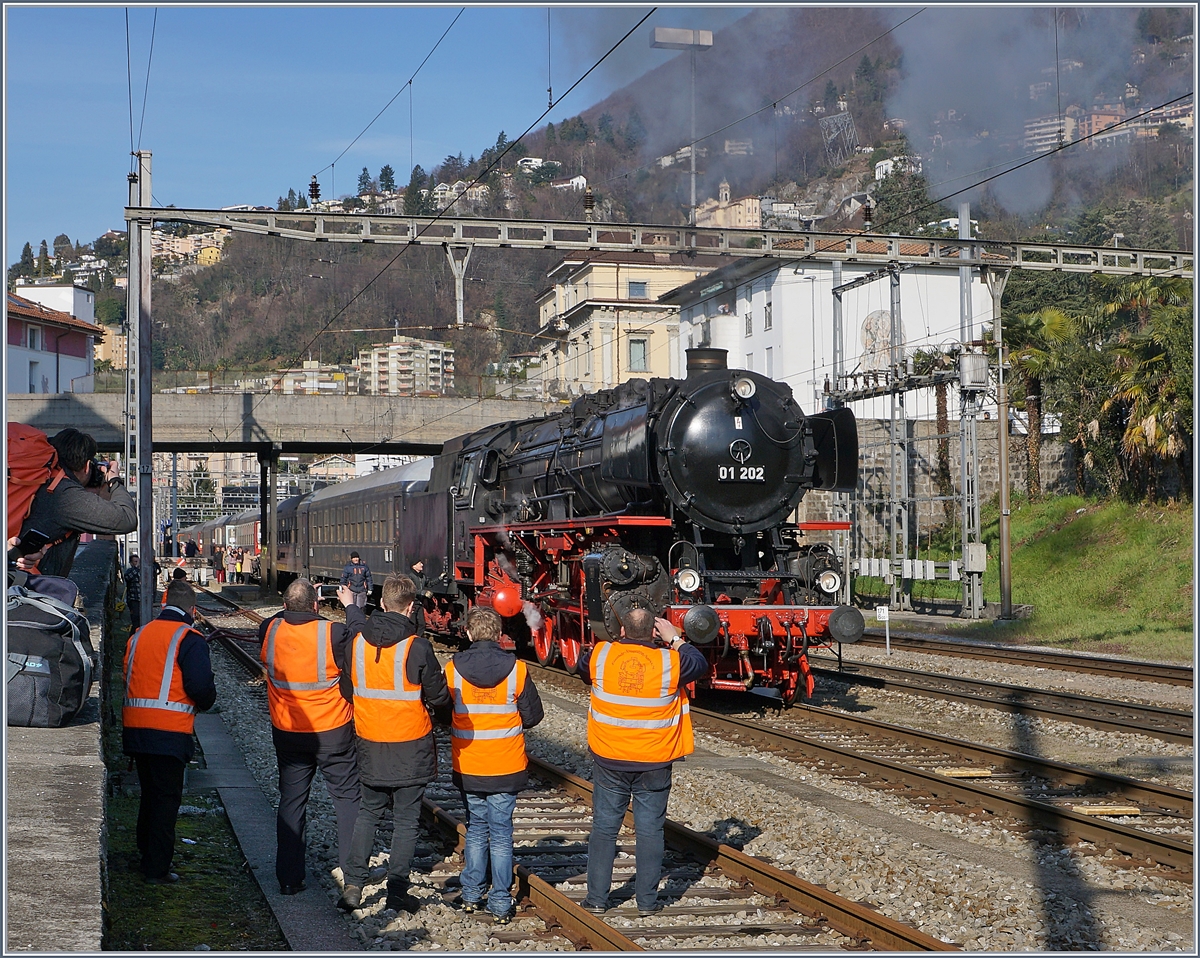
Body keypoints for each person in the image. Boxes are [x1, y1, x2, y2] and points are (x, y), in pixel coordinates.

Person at [575, 607, 706, 917]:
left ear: (621, 632)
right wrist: (675, 639)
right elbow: (699, 663)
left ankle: (596, 900)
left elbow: (581, 667)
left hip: (610, 758)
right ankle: (646, 903)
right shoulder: (670, 661)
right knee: (650, 831)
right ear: (653, 633)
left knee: (605, 829)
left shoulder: (602, 656)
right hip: (655, 761)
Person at [338, 576, 449, 915]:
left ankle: (353, 886)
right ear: (411, 607)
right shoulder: (416, 646)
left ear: (382, 603)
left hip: (370, 740)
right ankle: (396, 894)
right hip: (410, 744)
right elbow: (440, 696)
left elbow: (347, 691)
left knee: (368, 813)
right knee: (405, 821)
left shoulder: (357, 643)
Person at [259, 578, 360, 896]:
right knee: (346, 799)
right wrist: (352, 606)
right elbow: (360, 642)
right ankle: (352, 875)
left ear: (285, 606)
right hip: (332, 731)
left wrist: (296, 600)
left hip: (288, 731)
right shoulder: (333, 633)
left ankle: (289, 879)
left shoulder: (269, 630)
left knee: (291, 801)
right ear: (317, 606)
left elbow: (276, 617)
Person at [444, 607, 543, 923]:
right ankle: (500, 901)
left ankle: (472, 895)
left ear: (470, 634)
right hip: (506, 762)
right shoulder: (517, 669)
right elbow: (533, 716)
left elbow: (442, 712)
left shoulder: (452, 669)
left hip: (470, 763)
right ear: (500, 635)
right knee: (501, 833)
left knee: (476, 829)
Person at [123, 580, 217, 884]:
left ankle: (144, 852)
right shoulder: (189, 638)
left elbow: (128, 674)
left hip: (135, 729)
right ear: (192, 609)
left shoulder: (140, 634)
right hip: (169, 732)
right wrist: (205, 702)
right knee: (166, 801)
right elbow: (201, 688)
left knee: (149, 795)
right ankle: (156, 869)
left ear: (165, 604)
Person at [16, 427, 137, 578]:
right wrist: (114, 480)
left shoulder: (40, 481)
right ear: (86, 466)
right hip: (27, 587)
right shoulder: (64, 495)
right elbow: (127, 519)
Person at [125, 554, 145, 629]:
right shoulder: (130, 571)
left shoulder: (142, 571)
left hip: (142, 598)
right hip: (134, 599)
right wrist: (136, 568)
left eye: (138, 561)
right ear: (131, 563)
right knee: (135, 619)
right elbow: (128, 577)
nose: (137, 563)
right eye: (135, 561)